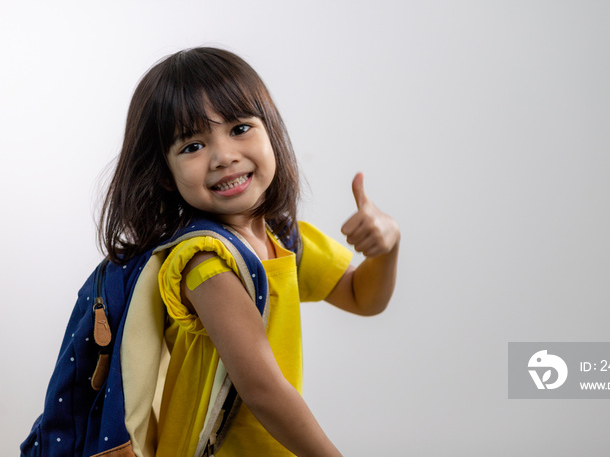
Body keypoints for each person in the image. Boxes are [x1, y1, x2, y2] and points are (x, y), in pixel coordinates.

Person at [99, 47, 400, 456]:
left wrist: (389, 245)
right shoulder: (205, 262)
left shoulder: (282, 238)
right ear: (165, 175)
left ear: (271, 131)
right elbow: (261, 389)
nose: (224, 156)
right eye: (192, 146)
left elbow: (362, 297)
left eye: (239, 128)